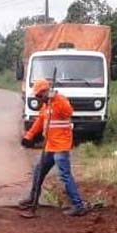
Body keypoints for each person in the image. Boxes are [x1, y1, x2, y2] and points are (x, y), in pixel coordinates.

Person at [19, 78, 87, 217]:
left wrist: (54, 98)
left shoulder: (60, 100)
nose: (38, 98)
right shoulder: (46, 105)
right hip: (50, 145)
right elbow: (40, 121)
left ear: (46, 91)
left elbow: (68, 112)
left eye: (39, 95)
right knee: (39, 170)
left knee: (64, 175)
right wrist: (29, 136)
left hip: (61, 145)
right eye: (37, 96)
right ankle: (33, 199)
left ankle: (78, 205)